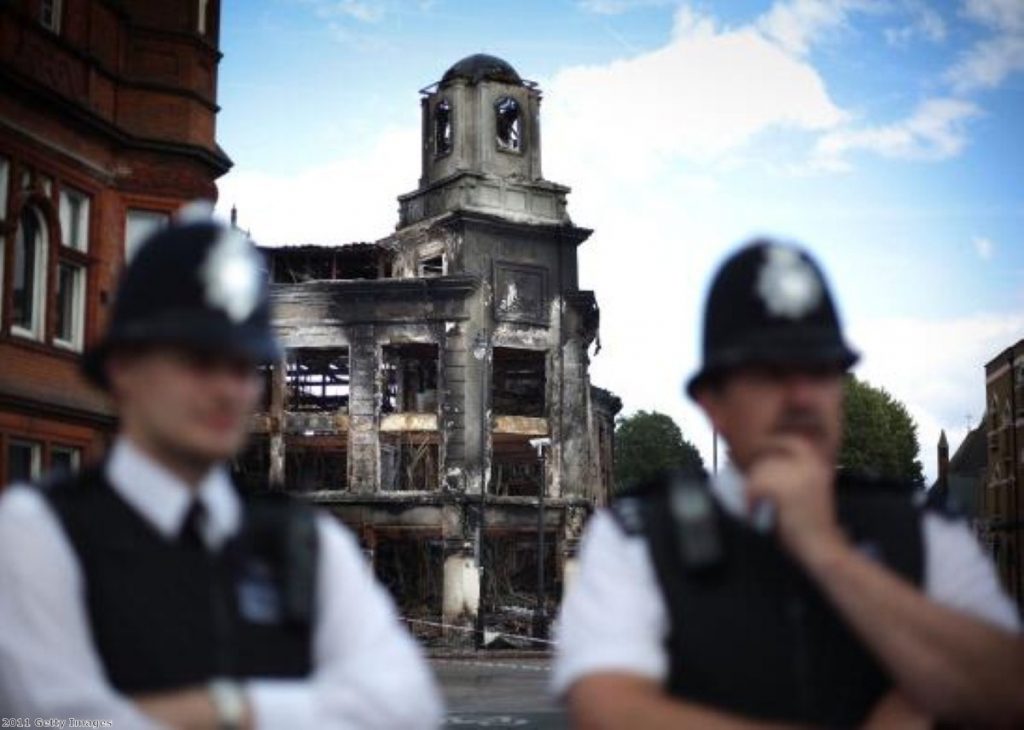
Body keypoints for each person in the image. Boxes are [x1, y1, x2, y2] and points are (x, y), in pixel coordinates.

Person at [553, 239, 1024, 727]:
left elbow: (1009, 690)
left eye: (820, 370)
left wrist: (826, 552)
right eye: (769, 373)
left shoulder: (920, 526)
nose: (801, 397)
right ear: (713, 401)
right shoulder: (637, 536)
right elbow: (609, 710)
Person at [0, 214, 444, 729]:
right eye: (196, 360)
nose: (226, 388)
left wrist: (225, 710)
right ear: (124, 368)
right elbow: (49, 719)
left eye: (241, 365)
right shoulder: (36, 534)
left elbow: (407, 707)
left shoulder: (303, 543)